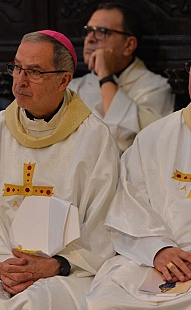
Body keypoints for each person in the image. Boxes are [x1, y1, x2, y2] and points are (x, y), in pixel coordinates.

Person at [0, 30, 120, 310]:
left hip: (64, 273)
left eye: (34, 72)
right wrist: (1, 266)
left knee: (37, 303)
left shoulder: (94, 138)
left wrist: (56, 265)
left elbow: (102, 223)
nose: (20, 81)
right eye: (17, 68)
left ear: (64, 80)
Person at [85, 61, 191, 309]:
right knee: (105, 300)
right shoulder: (154, 138)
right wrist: (159, 250)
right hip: (156, 256)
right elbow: (129, 204)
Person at [68, 2, 174, 152]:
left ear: (129, 45)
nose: (90, 39)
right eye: (89, 31)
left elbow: (139, 144)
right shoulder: (72, 88)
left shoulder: (156, 87)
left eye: (102, 32)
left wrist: (105, 76)